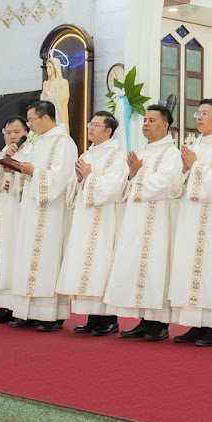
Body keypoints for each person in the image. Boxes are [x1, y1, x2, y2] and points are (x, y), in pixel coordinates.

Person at [107, 104, 184, 340]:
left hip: (158, 220)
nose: (146, 124)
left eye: (152, 120)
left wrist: (138, 174)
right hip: (136, 219)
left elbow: (164, 184)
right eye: (145, 120)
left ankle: (158, 324)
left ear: (165, 125)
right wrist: (131, 175)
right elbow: (125, 183)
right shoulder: (141, 151)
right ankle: (144, 320)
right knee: (138, 267)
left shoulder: (171, 153)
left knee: (156, 268)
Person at [167, 99, 212, 347]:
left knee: (210, 268)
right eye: (198, 113)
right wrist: (185, 170)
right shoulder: (194, 145)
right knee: (190, 267)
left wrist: (195, 167)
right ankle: (195, 324)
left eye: (205, 113)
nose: (198, 117)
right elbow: (178, 183)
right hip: (191, 216)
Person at [4, 102, 78, 331]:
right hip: (30, 209)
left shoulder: (64, 143)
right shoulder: (37, 142)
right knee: (27, 257)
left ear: (45, 118)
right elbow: (28, 173)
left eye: (31, 120)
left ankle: (49, 315)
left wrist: (33, 172)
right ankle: (27, 311)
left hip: (50, 213)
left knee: (46, 258)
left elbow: (61, 179)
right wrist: (15, 169)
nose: (29, 125)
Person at [57, 111, 126, 335]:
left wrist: (89, 177)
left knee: (100, 266)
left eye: (96, 125)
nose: (90, 128)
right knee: (84, 265)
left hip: (105, 220)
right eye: (90, 124)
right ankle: (91, 318)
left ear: (108, 131)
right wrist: (79, 180)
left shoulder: (117, 156)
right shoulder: (87, 153)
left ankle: (108, 320)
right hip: (84, 219)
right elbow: (73, 187)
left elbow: (112, 188)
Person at [0, 116, 32, 324]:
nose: (12, 136)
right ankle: (3, 304)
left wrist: (17, 180)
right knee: (0, 256)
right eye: (8, 132)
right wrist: (3, 170)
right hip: (0, 212)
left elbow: (33, 179)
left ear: (26, 133)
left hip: (19, 212)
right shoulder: (0, 155)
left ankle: (16, 306)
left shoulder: (31, 153)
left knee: (14, 256)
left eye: (17, 132)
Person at [41, 57, 70, 135]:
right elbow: (42, 100)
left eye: (50, 67)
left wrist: (48, 92)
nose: (48, 70)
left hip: (57, 112)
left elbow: (61, 99)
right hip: (46, 110)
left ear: (55, 68)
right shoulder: (46, 83)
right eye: (47, 67)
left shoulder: (63, 83)